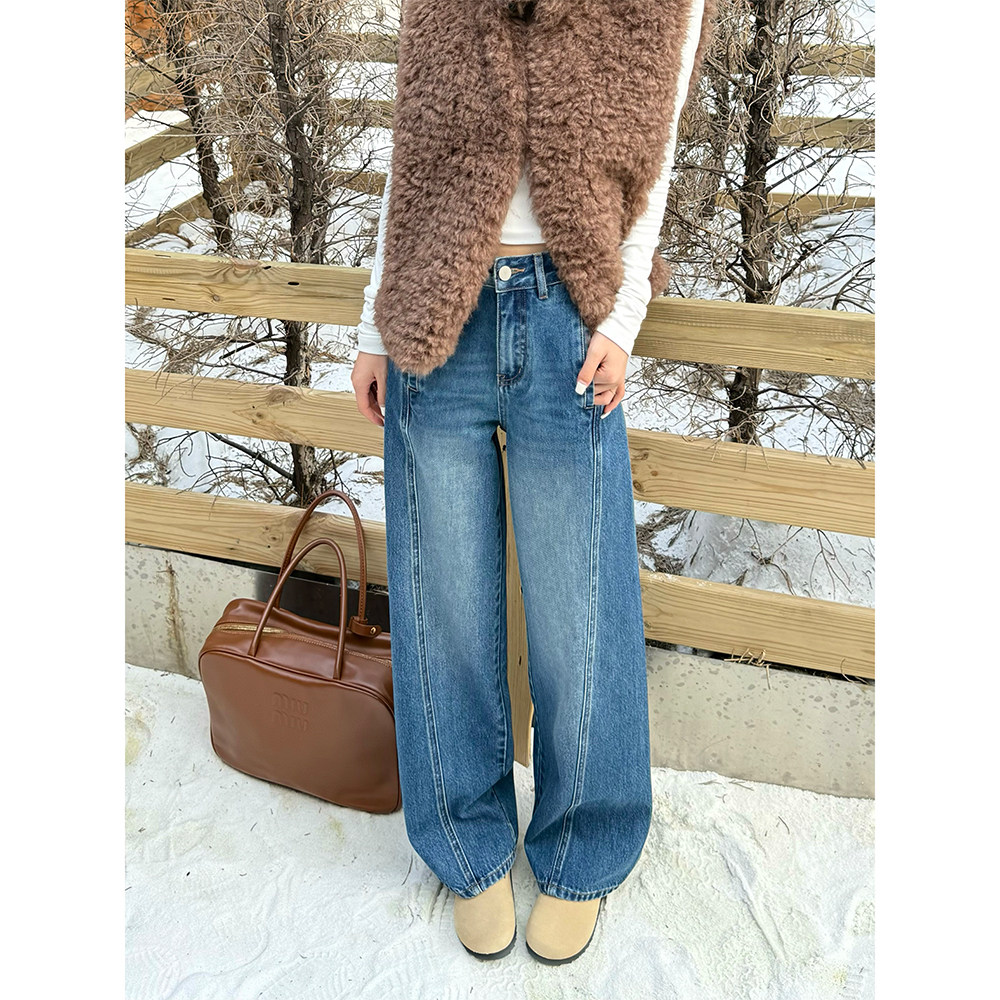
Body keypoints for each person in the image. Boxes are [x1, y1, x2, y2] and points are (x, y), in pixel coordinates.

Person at [350, 0, 715, 965]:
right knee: (443, 605)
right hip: (439, 316)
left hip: (567, 319)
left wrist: (622, 321)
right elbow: (410, 159)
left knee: (581, 609)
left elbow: (656, 163)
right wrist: (373, 325)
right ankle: (464, 840)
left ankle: (585, 843)